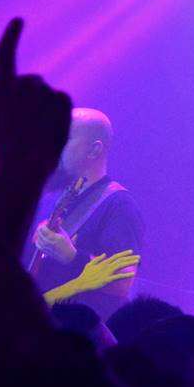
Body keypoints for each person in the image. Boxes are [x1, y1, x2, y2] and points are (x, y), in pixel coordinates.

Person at [29, 107, 145, 318]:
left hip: (77, 330)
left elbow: (122, 282)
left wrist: (72, 256)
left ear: (94, 150)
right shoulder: (54, 197)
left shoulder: (119, 204)